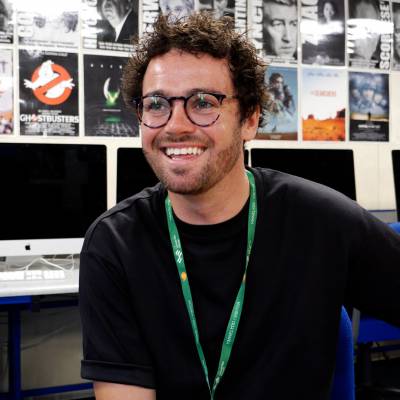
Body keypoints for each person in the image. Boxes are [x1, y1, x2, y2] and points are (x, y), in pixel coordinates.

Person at [79, 12, 400, 400]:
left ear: (249, 119)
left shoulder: (322, 222)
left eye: (203, 102)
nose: (175, 125)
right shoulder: (115, 244)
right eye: (157, 104)